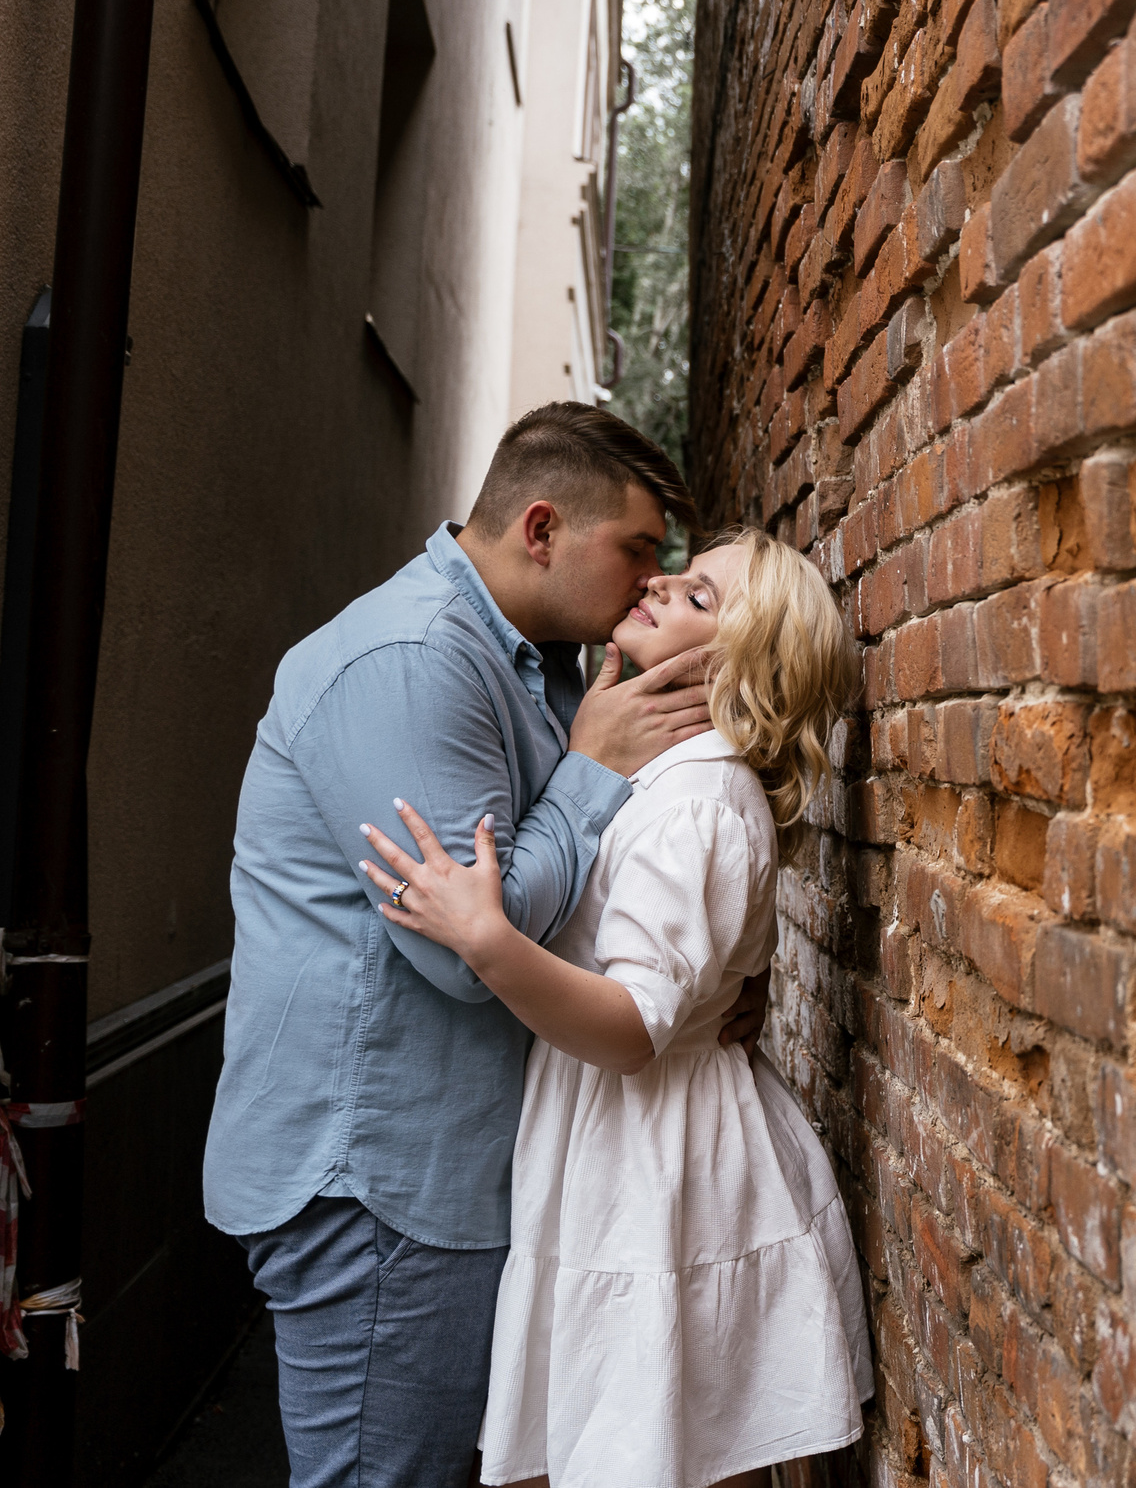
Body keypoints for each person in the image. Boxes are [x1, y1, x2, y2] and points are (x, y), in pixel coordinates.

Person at [206, 403, 768, 1488]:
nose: (651, 579)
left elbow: (606, 889)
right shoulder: (412, 662)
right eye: (638, 549)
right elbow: (472, 947)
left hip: (455, 1174)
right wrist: (590, 766)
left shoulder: (544, 662)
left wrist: (711, 984)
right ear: (543, 529)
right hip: (381, 1182)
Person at [355, 526, 873, 1488]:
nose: (664, 582)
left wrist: (488, 940)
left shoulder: (701, 800)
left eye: (701, 597)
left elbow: (634, 1026)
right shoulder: (666, 777)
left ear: (739, 668)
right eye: (683, 574)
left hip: (658, 1161)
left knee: (664, 1440)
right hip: (614, 1140)